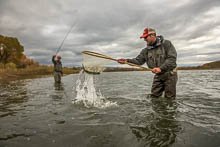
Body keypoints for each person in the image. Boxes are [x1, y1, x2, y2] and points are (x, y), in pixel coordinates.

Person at [117, 28, 177, 98]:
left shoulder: (166, 44)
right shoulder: (145, 51)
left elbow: (172, 59)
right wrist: (126, 61)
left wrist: (160, 68)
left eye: (146, 37)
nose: (144, 39)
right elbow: (138, 61)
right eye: (144, 37)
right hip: (158, 76)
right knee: (154, 97)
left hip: (170, 74)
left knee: (169, 99)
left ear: (153, 35)